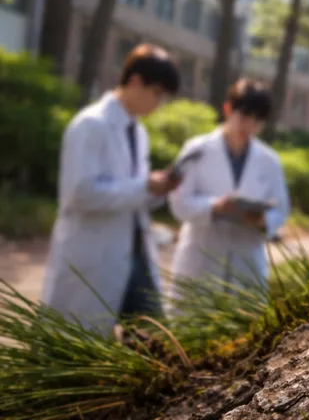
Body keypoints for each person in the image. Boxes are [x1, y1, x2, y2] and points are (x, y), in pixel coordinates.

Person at [41, 44, 182, 335]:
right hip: (94, 254)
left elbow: (132, 194)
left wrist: (157, 190)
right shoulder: (91, 124)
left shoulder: (137, 131)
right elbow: (79, 193)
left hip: (134, 250)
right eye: (157, 94)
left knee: (152, 340)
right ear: (134, 82)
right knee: (80, 348)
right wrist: (144, 185)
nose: (158, 104)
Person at [166, 79, 290, 311]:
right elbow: (179, 204)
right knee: (190, 334)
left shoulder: (269, 160)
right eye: (244, 116)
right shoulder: (197, 149)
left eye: (257, 120)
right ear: (227, 109)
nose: (249, 126)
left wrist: (263, 221)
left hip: (246, 264)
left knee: (243, 338)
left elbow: (281, 209)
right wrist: (215, 206)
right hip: (200, 260)